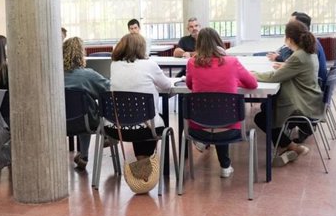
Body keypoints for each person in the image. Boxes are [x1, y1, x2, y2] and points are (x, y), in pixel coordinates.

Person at [185, 28, 258, 178]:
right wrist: (235, 80)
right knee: (221, 116)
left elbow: (190, 85)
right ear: (219, 42)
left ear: (199, 45)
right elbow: (253, 84)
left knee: (213, 113)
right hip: (230, 129)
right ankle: (225, 166)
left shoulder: (192, 63)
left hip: (198, 128)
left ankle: (204, 143)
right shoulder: (232, 62)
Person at [253, 21, 324, 166]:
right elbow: (295, 69)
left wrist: (253, 75)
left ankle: (288, 147)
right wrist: (286, 66)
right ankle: (288, 147)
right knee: (267, 109)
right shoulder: (309, 52)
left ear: (290, 39)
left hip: (303, 104)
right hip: (311, 99)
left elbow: (274, 77)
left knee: (262, 117)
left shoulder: (298, 56)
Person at [109, 33, 172, 157]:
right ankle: (145, 161)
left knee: (136, 115)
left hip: (117, 128)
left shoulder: (114, 65)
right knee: (150, 118)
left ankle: (142, 162)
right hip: (145, 129)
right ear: (141, 48)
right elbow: (167, 86)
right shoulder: (149, 64)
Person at [63, 37, 110, 171]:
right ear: (81, 54)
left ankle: (83, 156)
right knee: (87, 111)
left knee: (80, 109)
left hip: (59, 123)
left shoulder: (55, 76)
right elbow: (109, 89)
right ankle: (106, 133)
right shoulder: (88, 75)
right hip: (86, 123)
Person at [267, 11, 327, 88]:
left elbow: (289, 58)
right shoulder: (309, 41)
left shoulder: (309, 45)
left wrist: (282, 55)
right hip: (311, 85)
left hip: (310, 87)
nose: (288, 26)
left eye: (291, 23)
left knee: (275, 90)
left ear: (299, 26)